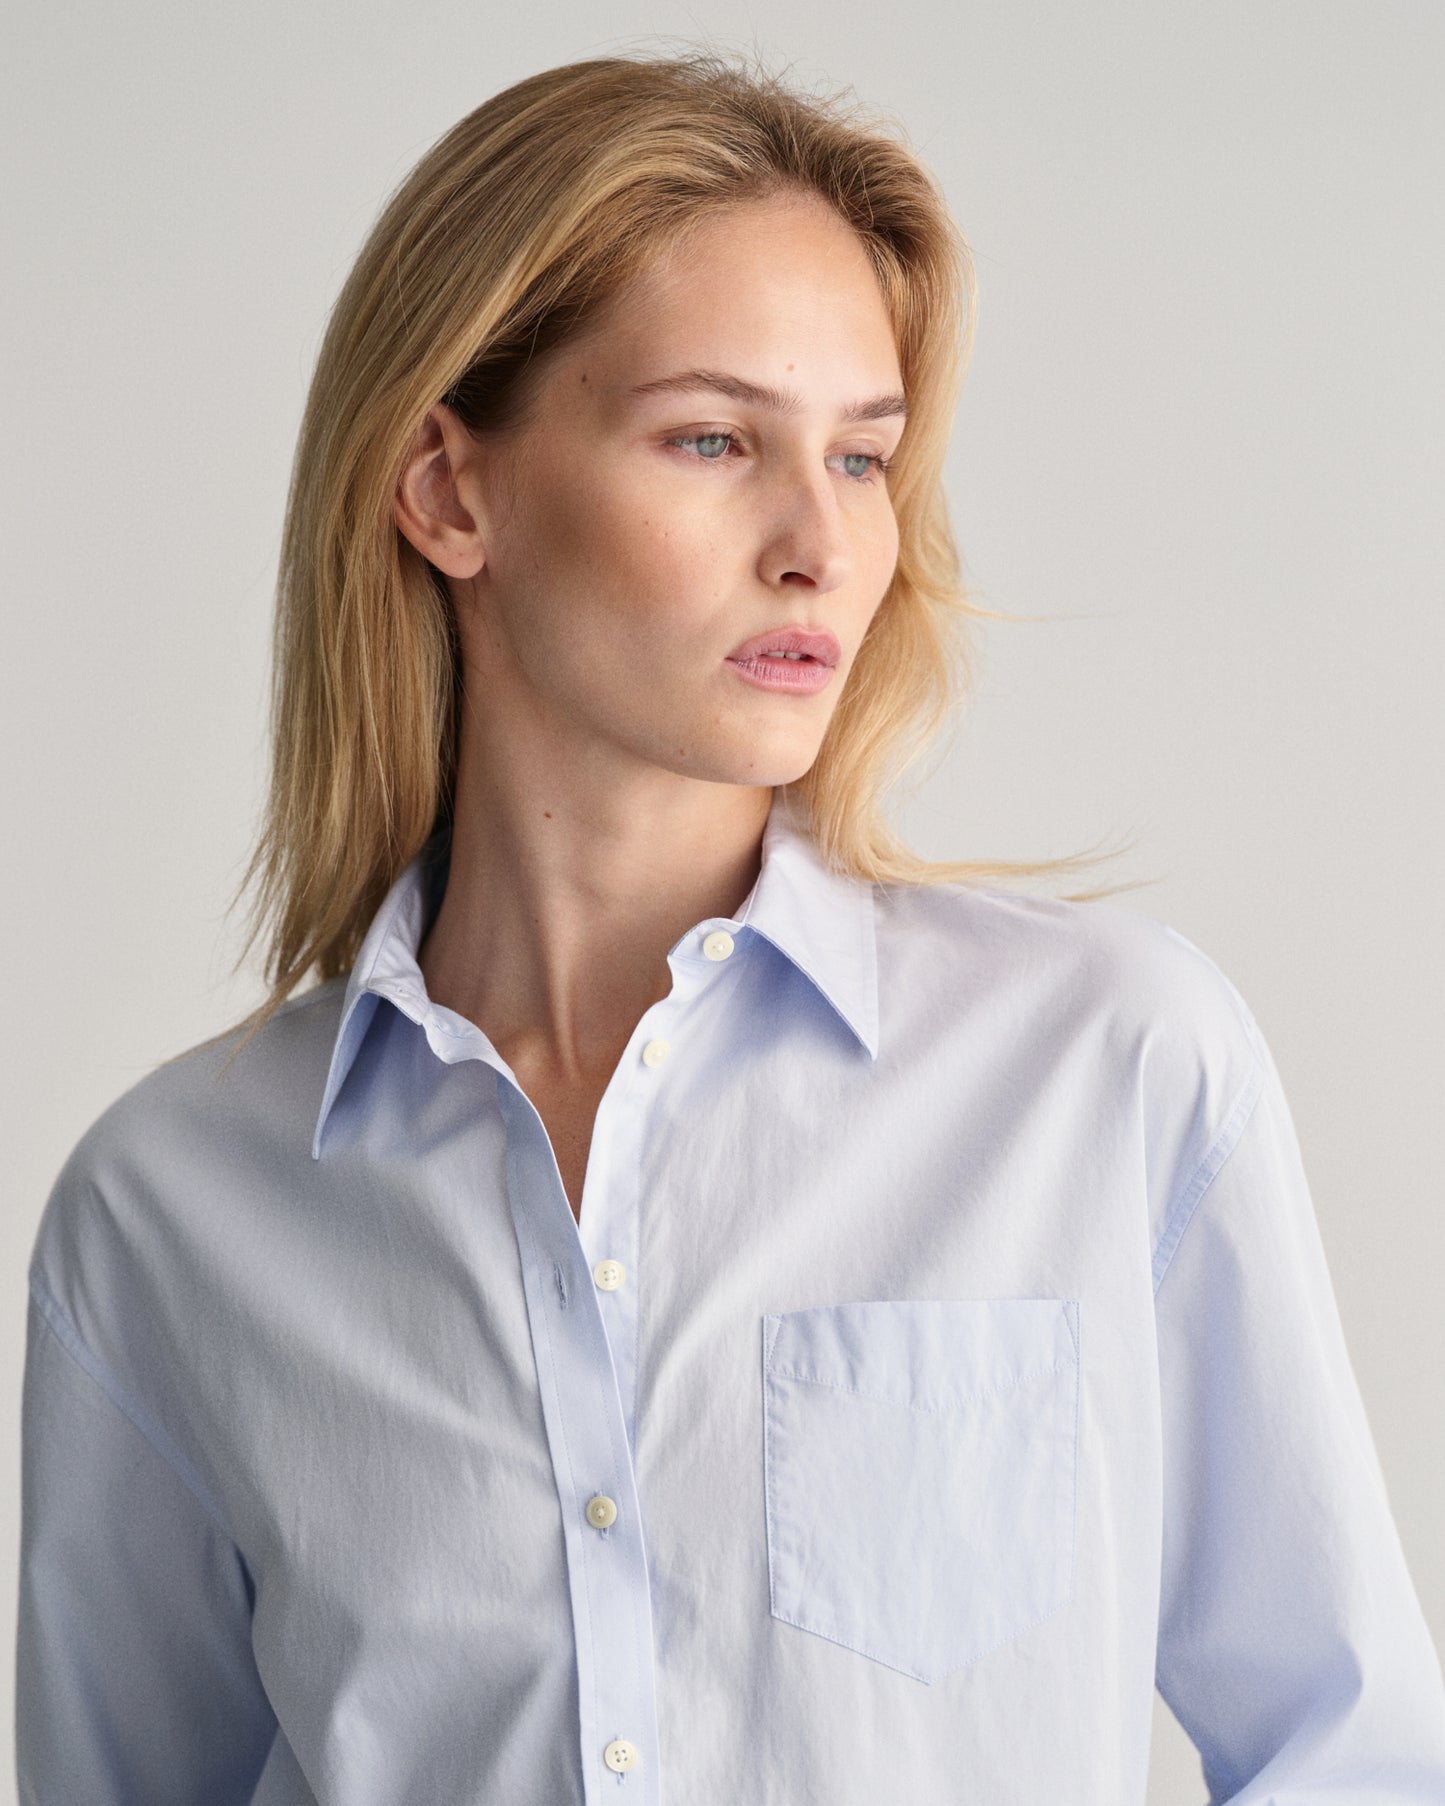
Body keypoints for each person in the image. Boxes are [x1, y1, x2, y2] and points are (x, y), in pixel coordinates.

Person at [16, 47, 1445, 1806]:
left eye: (860, 458)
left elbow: (1348, 1754)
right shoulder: (170, 1213)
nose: (821, 547)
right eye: (713, 440)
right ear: (448, 490)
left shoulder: (1107, 1071)